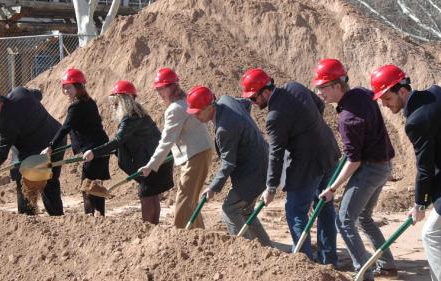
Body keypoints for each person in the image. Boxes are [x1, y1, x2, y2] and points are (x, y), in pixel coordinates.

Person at [241, 68, 340, 264]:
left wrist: (270, 188)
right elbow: (319, 105)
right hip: (329, 152)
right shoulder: (295, 87)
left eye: (254, 98)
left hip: (307, 165)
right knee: (325, 205)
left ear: (265, 92)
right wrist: (309, 128)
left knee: (296, 211)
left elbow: (276, 155)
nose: (253, 103)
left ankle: (304, 265)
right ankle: (329, 260)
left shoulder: (274, 116)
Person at [313, 59, 397, 280]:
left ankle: (363, 272)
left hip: (370, 169)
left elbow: (354, 161)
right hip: (384, 164)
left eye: (323, 88)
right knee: (364, 217)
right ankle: (387, 265)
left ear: (337, 86)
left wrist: (332, 188)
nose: (320, 92)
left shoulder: (347, 119)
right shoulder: (361, 93)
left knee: (344, 219)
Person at [371, 64, 441, 281]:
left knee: (432, 233)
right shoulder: (436, 93)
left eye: (387, 98)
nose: (385, 105)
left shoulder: (416, 121)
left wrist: (419, 204)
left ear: (402, 91)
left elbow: (424, 168)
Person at [186, 85, 271, 246]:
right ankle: (267, 249)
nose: (195, 116)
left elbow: (228, 162)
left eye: (197, 112)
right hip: (263, 161)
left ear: (209, 107)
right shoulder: (226, 100)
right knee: (245, 210)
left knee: (230, 209)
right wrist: (245, 131)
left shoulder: (225, 129)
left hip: (254, 172)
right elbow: (245, 104)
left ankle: (245, 251)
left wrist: (213, 187)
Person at [83, 80, 174, 224]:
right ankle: (153, 228)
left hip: (152, 163)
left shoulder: (130, 118)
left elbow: (118, 141)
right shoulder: (140, 115)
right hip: (160, 160)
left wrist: (94, 153)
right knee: (152, 195)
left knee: (146, 195)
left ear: (123, 101)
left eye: (115, 103)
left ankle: (147, 230)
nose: (113, 107)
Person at [139, 68, 213, 229]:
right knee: (190, 199)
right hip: (200, 152)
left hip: (196, 155)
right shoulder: (184, 102)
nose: (159, 92)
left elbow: (166, 140)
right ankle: (199, 235)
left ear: (172, 87)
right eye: (157, 89)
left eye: (161, 88)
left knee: (184, 198)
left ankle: (180, 236)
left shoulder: (174, 109)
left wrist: (151, 165)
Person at [0, 86, 64, 215]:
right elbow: (37, 94)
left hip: (40, 148)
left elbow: (1, 153)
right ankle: (57, 217)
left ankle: (27, 219)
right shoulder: (19, 92)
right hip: (57, 138)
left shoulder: (6, 122)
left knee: (21, 176)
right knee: (50, 182)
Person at [41, 68, 110, 217]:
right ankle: (99, 217)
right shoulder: (90, 102)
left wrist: (51, 146)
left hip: (92, 150)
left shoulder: (76, 106)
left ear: (78, 87)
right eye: (64, 88)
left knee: (88, 186)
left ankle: (90, 219)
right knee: (96, 186)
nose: (66, 91)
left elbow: (66, 127)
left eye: (69, 88)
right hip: (101, 147)